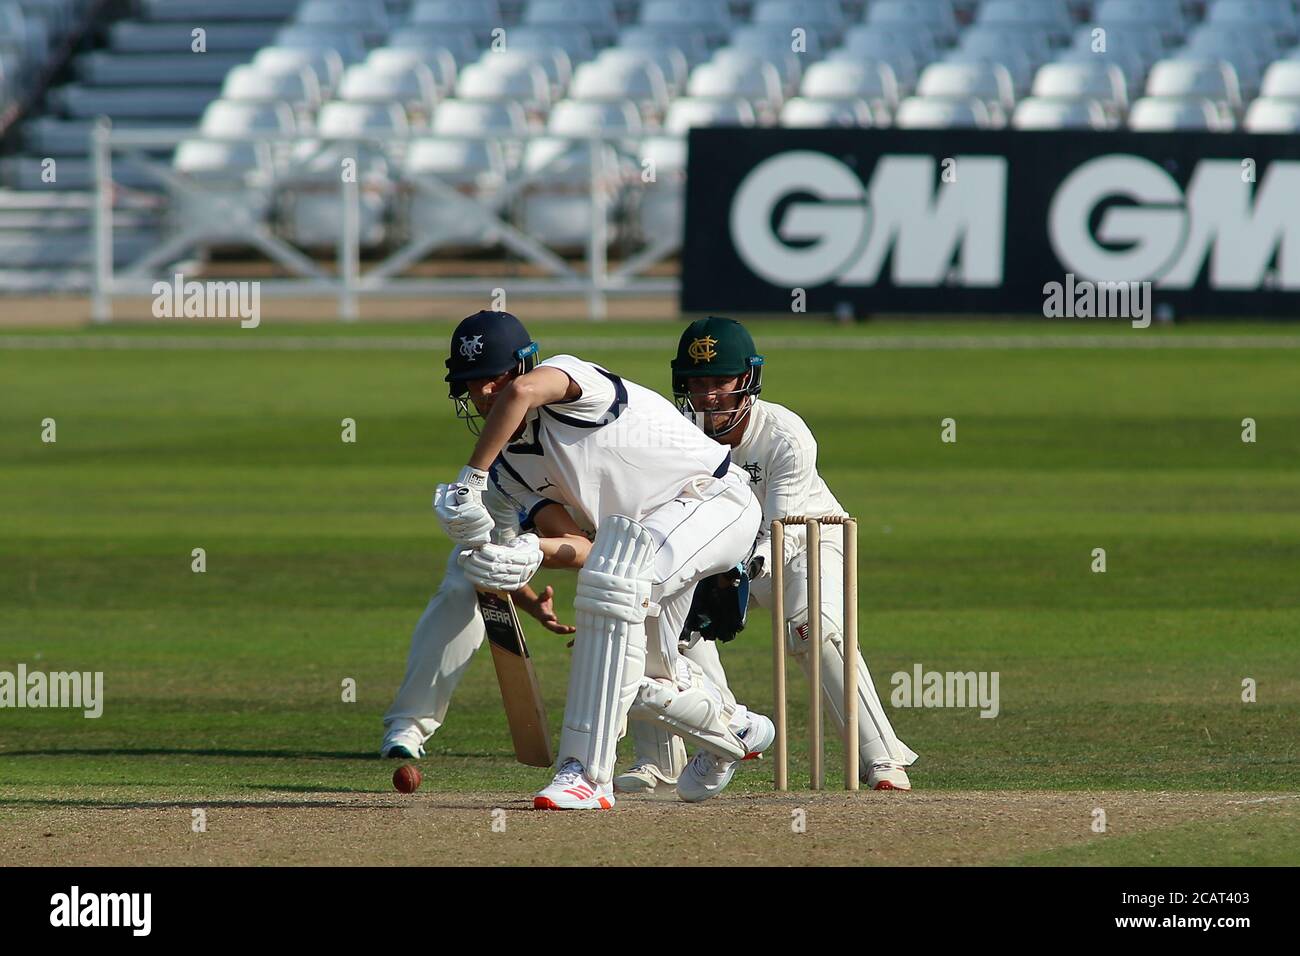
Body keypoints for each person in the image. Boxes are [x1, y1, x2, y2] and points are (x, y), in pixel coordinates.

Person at [433, 310, 772, 809]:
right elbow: (582, 547)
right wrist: (523, 554)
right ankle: (733, 731)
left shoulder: (575, 382)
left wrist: (469, 478)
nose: (485, 394)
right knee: (646, 679)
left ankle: (587, 775)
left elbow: (522, 395)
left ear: (525, 367)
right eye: (471, 383)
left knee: (616, 588)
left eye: (494, 378)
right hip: (639, 543)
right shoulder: (510, 469)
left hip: (713, 502)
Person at [615, 316, 918, 792]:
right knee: (657, 624)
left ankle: (881, 759)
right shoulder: (676, 435)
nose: (709, 396)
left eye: (720, 383)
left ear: (747, 381)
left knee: (812, 630)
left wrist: (735, 576)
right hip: (719, 554)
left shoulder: (784, 435)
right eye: (698, 384)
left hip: (804, 542)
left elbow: (779, 530)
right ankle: (681, 753)